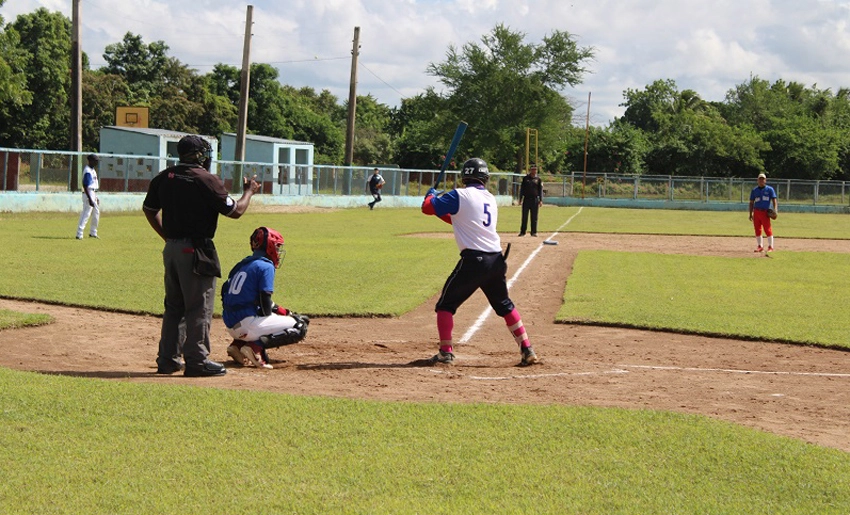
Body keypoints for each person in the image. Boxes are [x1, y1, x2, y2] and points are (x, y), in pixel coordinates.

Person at [143, 135, 262, 377]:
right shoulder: (206, 179)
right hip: (196, 251)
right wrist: (249, 191)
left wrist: (168, 237)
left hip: (172, 249)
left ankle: (167, 360)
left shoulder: (164, 177)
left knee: (174, 307)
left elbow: (149, 209)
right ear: (200, 156)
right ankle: (197, 360)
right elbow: (235, 211)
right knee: (198, 307)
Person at [421, 157, 539, 367]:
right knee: (504, 305)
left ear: (464, 176)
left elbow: (427, 208)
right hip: (496, 260)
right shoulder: (490, 198)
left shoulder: (460, 194)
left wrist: (430, 196)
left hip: (474, 261)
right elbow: (459, 219)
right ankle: (527, 348)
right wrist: (437, 208)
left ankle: (445, 352)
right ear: (484, 177)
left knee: (445, 306)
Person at [221, 226, 309, 369]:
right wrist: (274, 318)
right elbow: (265, 302)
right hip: (248, 326)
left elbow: (227, 293)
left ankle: (237, 345)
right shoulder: (265, 266)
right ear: (269, 245)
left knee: (265, 315)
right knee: (300, 325)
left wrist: (283, 312)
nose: (278, 251)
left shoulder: (242, 265)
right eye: (277, 246)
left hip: (231, 326)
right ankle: (255, 348)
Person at [748, 173, 778, 253]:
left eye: (763, 179)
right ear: (757, 180)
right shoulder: (754, 190)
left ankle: (771, 247)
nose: (761, 180)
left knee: (767, 229)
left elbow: (774, 200)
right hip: (757, 211)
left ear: (765, 180)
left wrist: (775, 210)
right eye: (760, 179)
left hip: (765, 212)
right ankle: (760, 246)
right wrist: (750, 213)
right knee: (757, 229)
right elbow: (751, 202)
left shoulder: (769, 189)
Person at [76, 154, 100, 239]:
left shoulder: (92, 170)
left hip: (93, 192)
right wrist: (90, 198)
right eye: (96, 161)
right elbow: (85, 185)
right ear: (91, 161)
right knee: (86, 213)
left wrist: (95, 197)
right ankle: (79, 233)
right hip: (88, 193)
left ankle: (93, 232)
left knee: (96, 213)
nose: (97, 162)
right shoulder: (87, 171)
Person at [518, 166, 543, 237]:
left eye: (535, 170)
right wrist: (520, 199)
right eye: (533, 169)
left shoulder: (538, 179)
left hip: (535, 200)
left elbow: (540, 190)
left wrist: (541, 200)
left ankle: (533, 232)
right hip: (526, 199)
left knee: (534, 217)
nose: (534, 171)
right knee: (524, 216)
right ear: (530, 170)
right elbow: (522, 189)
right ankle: (523, 232)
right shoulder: (525, 179)